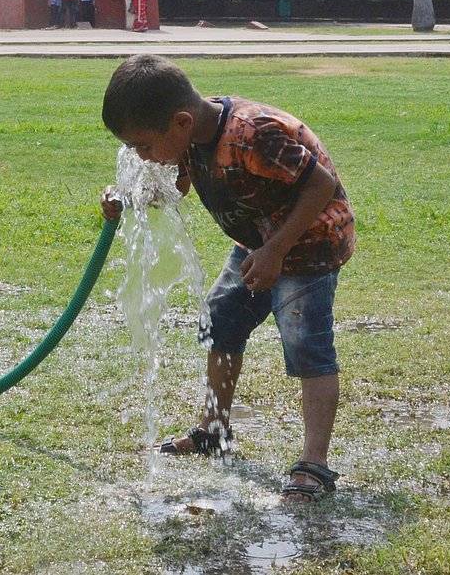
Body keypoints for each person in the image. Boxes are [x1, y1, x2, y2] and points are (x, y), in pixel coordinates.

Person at [99, 54, 355, 504]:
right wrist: (129, 197)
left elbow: (321, 186)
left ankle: (314, 464)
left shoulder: (253, 135)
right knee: (222, 319)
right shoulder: (190, 135)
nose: (141, 156)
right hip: (259, 242)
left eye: (144, 146)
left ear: (180, 122)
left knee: (306, 344)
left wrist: (275, 251)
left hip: (308, 244)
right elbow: (176, 187)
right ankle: (213, 430)